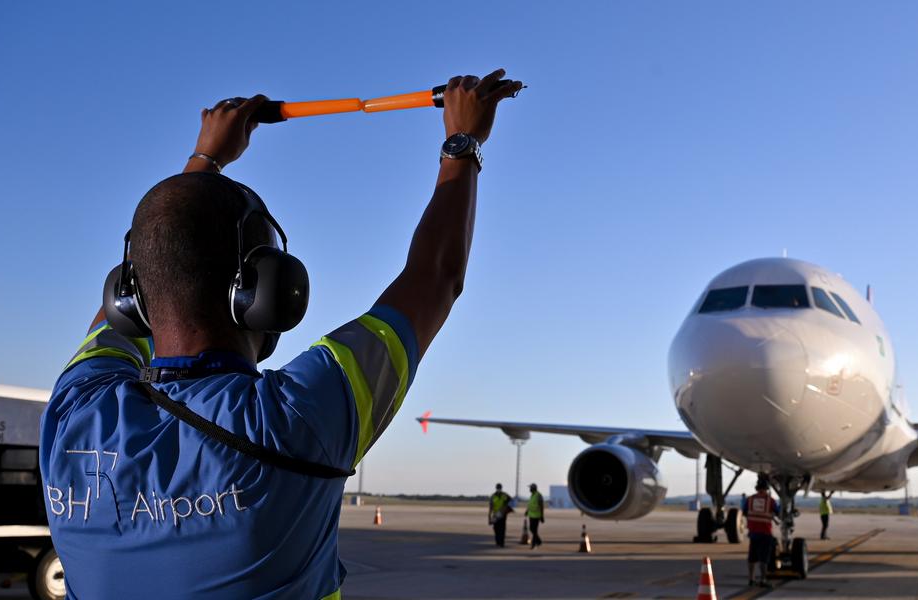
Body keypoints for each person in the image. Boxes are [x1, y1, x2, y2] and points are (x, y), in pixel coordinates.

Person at [38, 69, 524, 599]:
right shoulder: (294, 420)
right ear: (267, 291)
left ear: (129, 298)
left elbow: (154, 265)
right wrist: (463, 143)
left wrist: (204, 161)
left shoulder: (74, 414)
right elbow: (434, 278)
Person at [744, 477, 780, 588]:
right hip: (765, 533)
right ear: (766, 489)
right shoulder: (770, 500)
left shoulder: (750, 499)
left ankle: (751, 579)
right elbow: (778, 513)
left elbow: (745, 512)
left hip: (753, 532)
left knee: (752, 557)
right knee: (763, 558)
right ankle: (763, 580)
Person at [489, 483, 514, 547]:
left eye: (499, 488)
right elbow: (491, 507)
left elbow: (511, 501)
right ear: (496, 488)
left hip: (502, 514)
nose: (499, 489)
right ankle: (498, 541)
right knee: (496, 528)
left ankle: (502, 543)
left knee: (502, 529)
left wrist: (507, 508)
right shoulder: (493, 496)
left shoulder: (504, 495)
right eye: (498, 488)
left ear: (501, 488)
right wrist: (489, 517)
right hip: (496, 515)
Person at [526, 483, 545, 548]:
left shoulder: (538, 495)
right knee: (531, 529)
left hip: (536, 516)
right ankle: (538, 541)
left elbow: (541, 506)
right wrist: (527, 511)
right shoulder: (532, 495)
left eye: (530, 488)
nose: (529, 489)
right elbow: (530, 504)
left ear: (533, 488)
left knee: (534, 530)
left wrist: (542, 516)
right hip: (531, 515)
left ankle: (533, 544)